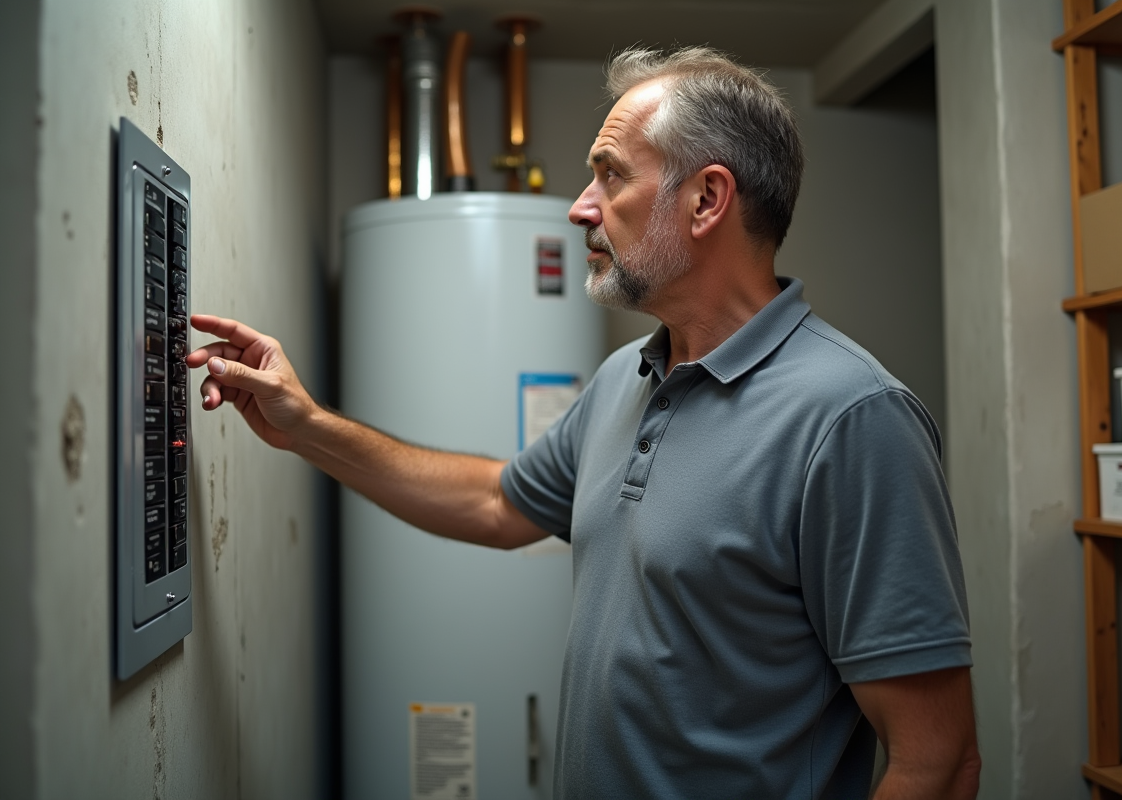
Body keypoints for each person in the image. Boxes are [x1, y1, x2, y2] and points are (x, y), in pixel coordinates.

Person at [188, 46, 980, 799]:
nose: (579, 208)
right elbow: (497, 504)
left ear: (707, 200)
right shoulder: (625, 380)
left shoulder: (851, 419)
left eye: (610, 176)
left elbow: (937, 762)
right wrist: (308, 426)